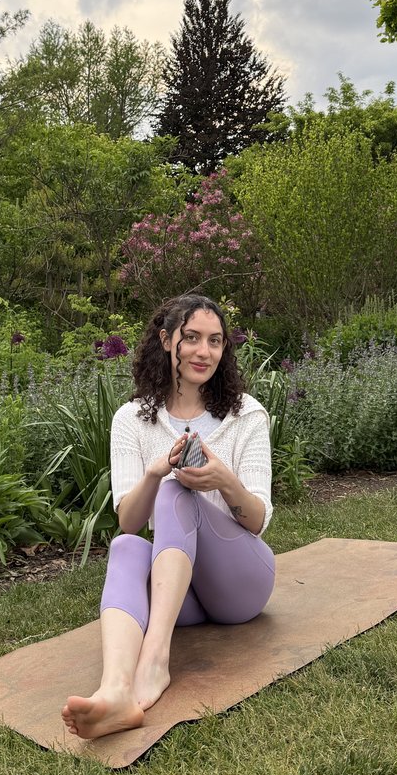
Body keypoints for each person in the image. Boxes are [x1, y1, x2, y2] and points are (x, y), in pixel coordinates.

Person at [62, 293, 275, 739]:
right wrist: (156, 472)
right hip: (182, 592)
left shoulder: (247, 415)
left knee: (180, 493)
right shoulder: (131, 420)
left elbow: (256, 521)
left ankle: (154, 661)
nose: (205, 351)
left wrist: (223, 481)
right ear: (166, 340)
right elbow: (127, 522)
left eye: (215, 341)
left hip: (240, 583)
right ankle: (116, 692)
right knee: (124, 546)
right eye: (192, 337)